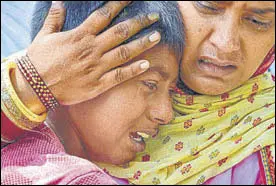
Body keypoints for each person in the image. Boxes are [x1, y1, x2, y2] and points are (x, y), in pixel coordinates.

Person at [1, 1, 275, 185]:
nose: (226, 43)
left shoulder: (266, 130)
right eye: (208, 5)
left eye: (259, 21)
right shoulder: (47, 69)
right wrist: (31, 85)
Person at [1, 1, 185, 185]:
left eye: (171, 91)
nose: (166, 114)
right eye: (150, 84)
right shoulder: (77, 179)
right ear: (76, 70)